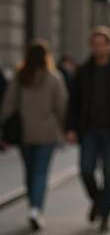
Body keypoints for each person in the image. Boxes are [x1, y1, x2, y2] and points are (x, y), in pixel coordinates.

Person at [66, 26, 110, 233]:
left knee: (109, 174)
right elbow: (74, 102)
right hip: (88, 130)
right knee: (86, 170)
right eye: (94, 45)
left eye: (101, 44)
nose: (97, 48)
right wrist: (70, 127)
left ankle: (105, 216)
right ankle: (98, 202)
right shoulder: (83, 71)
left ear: (109, 45)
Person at [1, 40, 68, 231]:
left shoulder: (20, 77)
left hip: (24, 133)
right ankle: (36, 209)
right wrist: (65, 129)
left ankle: (33, 206)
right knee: (40, 173)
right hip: (47, 133)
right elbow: (62, 106)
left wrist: (5, 124)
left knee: (30, 172)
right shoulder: (54, 78)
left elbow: (8, 104)